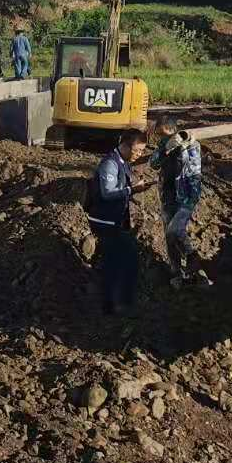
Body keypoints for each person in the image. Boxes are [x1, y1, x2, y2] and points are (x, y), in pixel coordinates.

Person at [87, 129, 145, 316]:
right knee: (120, 259)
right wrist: (131, 190)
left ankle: (113, 303)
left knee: (119, 259)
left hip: (115, 220)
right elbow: (107, 193)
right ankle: (110, 306)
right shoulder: (110, 164)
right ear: (126, 146)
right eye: (137, 150)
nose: (139, 155)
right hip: (104, 220)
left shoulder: (123, 162)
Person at [150, 117, 209, 289]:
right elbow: (153, 163)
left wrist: (181, 146)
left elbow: (191, 169)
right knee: (169, 237)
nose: (160, 137)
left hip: (187, 196)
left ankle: (193, 260)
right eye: (159, 135)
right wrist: (164, 150)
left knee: (175, 230)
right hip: (168, 195)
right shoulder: (163, 145)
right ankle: (177, 272)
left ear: (172, 129)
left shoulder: (192, 145)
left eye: (162, 134)